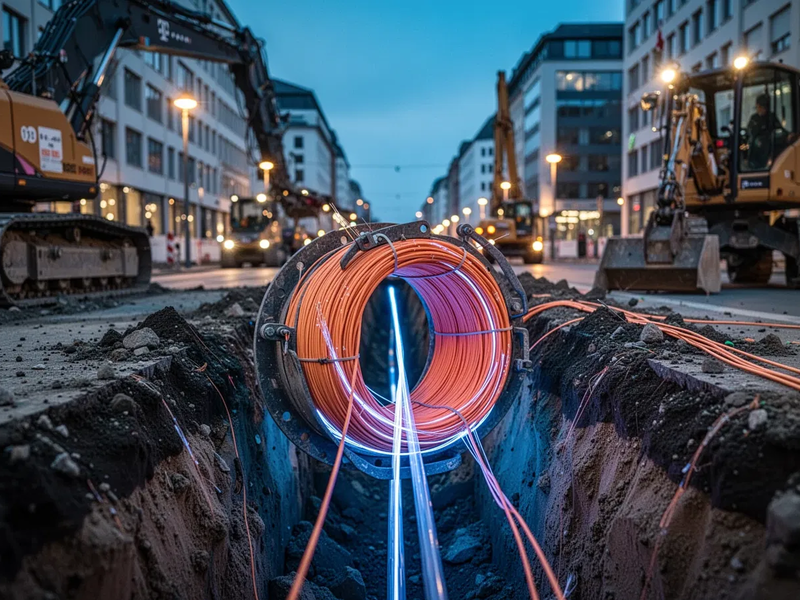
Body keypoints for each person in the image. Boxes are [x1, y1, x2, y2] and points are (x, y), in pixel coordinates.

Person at [746, 92, 795, 170]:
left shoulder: (771, 117)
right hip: (756, 148)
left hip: (769, 146)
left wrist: (788, 135)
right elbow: (750, 132)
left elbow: (779, 128)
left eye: (762, 107)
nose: (760, 109)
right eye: (758, 107)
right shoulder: (754, 118)